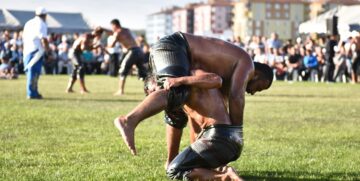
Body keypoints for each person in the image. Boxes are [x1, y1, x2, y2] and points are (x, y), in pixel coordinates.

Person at [113, 32, 274, 160]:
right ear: (257, 74)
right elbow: (236, 98)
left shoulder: (226, 77)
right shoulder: (247, 64)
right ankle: (129, 120)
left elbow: (196, 118)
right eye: (259, 88)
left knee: (180, 106)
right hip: (175, 45)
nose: (252, 92)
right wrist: (236, 133)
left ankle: (171, 162)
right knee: (178, 92)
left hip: (176, 53)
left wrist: (198, 148)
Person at [140, 69, 244, 180]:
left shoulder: (187, 75)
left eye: (156, 92)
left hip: (219, 136)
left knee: (174, 171)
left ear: (161, 79)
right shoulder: (180, 96)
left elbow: (216, 79)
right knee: (187, 164)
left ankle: (224, 176)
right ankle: (223, 169)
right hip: (229, 139)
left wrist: (180, 80)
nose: (160, 96)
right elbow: (191, 129)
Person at [103, 19, 147, 95]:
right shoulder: (126, 30)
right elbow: (112, 33)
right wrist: (103, 29)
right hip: (138, 50)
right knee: (143, 73)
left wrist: (105, 47)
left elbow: (112, 45)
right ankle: (153, 89)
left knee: (122, 70)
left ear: (114, 25)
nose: (112, 28)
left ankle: (120, 91)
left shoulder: (117, 33)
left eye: (112, 26)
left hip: (132, 51)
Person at [22, 7, 49, 99]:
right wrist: (48, 50)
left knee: (31, 72)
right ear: (45, 15)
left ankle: (34, 91)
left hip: (27, 50)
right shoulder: (42, 24)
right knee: (34, 73)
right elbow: (43, 39)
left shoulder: (28, 23)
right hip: (36, 51)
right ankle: (31, 93)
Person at [65, 29, 103, 93]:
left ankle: (69, 88)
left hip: (76, 53)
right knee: (80, 68)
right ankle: (83, 89)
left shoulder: (90, 37)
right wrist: (95, 47)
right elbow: (84, 48)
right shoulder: (87, 37)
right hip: (74, 53)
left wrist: (93, 46)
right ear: (98, 34)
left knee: (76, 70)